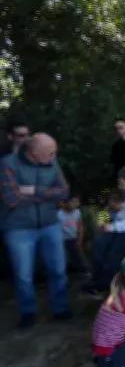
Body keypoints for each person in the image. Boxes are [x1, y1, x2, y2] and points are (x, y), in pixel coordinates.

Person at [0, 133, 71, 328]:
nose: (54, 156)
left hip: (49, 223)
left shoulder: (51, 162)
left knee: (58, 269)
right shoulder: (7, 164)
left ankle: (60, 308)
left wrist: (33, 190)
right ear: (34, 152)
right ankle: (27, 312)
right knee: (24, 274)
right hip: (18, 228)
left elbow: (64, 191)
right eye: (50, 152)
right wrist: (48, 195)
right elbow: (12, 199)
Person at [59, 194, 90, 277]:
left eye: (77, 202)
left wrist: (80, 239)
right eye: (74, 202)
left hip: (74, 237)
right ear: (66, 203)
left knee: (78, 255)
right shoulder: (59, 214)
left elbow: (80, 226)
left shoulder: (77, 212)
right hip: (63, 239)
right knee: (63, 256)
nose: (76, 204)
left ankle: (84, 271)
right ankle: (64, 272)